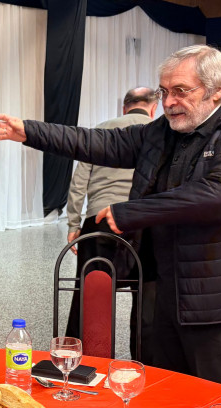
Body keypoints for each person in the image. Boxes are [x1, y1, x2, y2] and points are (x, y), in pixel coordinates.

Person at [0, 45, 221, 389]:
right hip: (165, 289)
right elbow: (102, 143)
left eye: (181, 91)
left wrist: (132, 213)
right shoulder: (169, 129)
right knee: (164, 393)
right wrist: (30, 131)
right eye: (165, 91)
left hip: (218, 302)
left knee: (213, 403)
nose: (169, 101)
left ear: (217, 90)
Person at [63, 87, 156, 342]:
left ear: (124, 108)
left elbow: (79, 182)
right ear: (153, 107)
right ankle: (145, 357)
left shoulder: (102, 130)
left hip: (99, 220)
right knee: (148, 294)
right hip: (145, 221)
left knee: (91, 292)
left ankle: (83, 354)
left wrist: (74, 223)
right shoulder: (161, 131)